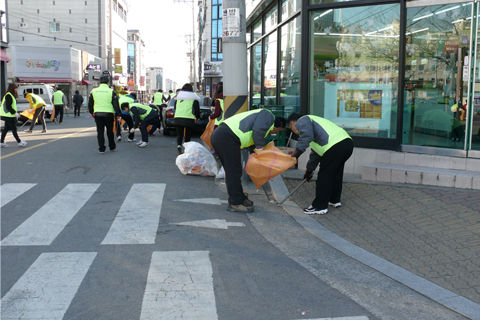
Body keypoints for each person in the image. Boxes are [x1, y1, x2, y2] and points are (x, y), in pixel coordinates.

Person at [211, 108, 286, 213]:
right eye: (277, 131)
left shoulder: (263, 121)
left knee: (235, 171)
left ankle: (240, 197)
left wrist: (256, 153)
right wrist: (260, 150)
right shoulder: (268, 116)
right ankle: (235, 203)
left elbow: (252, 141)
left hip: (224, 136)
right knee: (233, 171)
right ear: (279, 126)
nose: (273, 133)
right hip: (227, 137)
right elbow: (258, 131)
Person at [288, 113, 353, 215]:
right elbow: (315, 155)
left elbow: (305, 138)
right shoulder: (314, 132)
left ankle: (319, 206)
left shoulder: (303, 120)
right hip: (347, 144)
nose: (296, 132)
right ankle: (334, 200)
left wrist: (295, 156)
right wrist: (309, 171)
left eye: (293, 129)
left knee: (324, 177)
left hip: (334, 146)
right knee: (336, 174)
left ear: (293, 123)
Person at [88, 72, 121, 153]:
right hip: (109, 114)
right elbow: (115, 104)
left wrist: (92, 112)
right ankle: (112, 147)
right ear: (108, 82)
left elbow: (90, 103)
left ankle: (101, 148)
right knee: (110, 131)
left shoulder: (94, 91)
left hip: (97, 114)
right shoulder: (111, 91)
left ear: (99, 82)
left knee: (100, 131)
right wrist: (118, 114)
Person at [174, 83, 200, 154]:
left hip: (178, 118)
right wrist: (197, 117)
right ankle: (186, 148)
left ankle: (179, 145)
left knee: (179, 134)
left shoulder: (178, 99)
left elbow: (175, 108)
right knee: (188, 135)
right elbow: (197, 110)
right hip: (189, 119)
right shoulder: (194, 99)